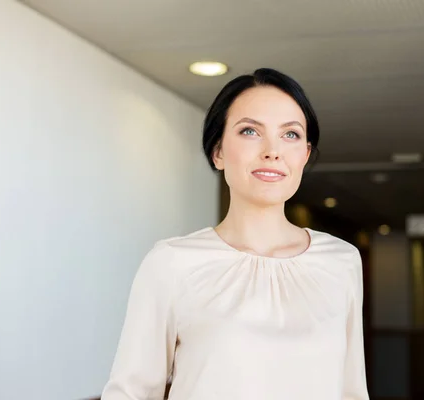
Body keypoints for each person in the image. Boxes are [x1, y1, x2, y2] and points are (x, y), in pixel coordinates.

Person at [101, 68, 369, 400]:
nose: (273, 150)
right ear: (218, 152)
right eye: (249, 131)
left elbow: (352, 390)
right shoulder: (171, 263)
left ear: (305, 154)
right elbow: (130, 394)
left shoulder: (341, 261)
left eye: (290, 135)